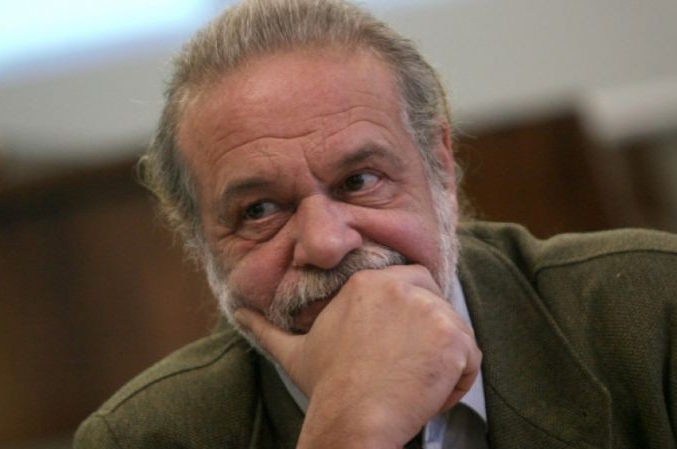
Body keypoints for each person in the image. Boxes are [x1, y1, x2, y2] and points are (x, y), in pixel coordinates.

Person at [74, 1, 677, 448]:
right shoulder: (143, 438)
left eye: (360, 181)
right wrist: (350, 430)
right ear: (198, 240)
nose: (326, 243)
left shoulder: (653, 312)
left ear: (440, 167)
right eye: (259, 210)